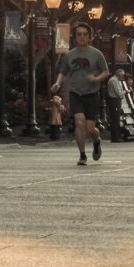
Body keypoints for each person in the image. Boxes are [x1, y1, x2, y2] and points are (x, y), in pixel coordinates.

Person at [53, 24, 109, 164]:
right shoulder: (70, 55)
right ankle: (82, 155)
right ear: (75, 37)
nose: (82, 37)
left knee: (90, 129)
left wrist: (96, 79)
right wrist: (58, 83)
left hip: (92, 93)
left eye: (85, 34)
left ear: (89, 37)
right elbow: (63, 72)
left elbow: (106, 72)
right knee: (79, 122)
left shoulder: (96, 54)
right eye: (79, 34)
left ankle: (97, 141)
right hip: (76, 93)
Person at [105, 66, 128, 142]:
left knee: (116, 119)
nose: (123, 77)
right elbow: (118, 92)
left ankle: (116, 137)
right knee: (115, 120)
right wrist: (125, 92)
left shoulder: (116, 80)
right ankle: (115, 138)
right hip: (114, 101)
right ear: (119, 75)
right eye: (122, 75)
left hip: (115, 101)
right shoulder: (114, 81)